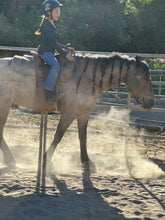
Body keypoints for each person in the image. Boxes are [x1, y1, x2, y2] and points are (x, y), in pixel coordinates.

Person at [35, 0, 75, 102]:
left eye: (59, 11)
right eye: (56, 11)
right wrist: (66, 54)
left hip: (49, 51)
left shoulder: (50, 23)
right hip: (45, 53)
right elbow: (53, 44)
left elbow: (54, 41)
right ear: (49, 12)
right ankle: (47, 91)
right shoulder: (47, 25)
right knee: (55, 65)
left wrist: (65, 48)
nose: (58, 14)